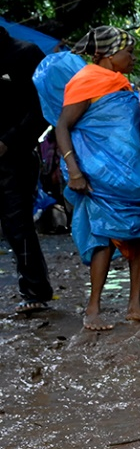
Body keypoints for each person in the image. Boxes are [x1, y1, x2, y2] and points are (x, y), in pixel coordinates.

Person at [35, 27, 140, 331]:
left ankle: (134, 305)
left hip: (130, 179)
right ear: (110, 55)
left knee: (137, 236)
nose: (133, 57)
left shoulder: (122, 84)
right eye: (129, 52)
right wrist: (75, 172)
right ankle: (93, 308)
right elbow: (62, 127)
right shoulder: (87, 81)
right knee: (102, 238)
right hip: (100, 178)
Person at [0, 25, 54, 314]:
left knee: (17, 223)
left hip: (15, 155)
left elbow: (42, 108)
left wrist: (8, 142)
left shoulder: (25, 53)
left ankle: (35, 289)